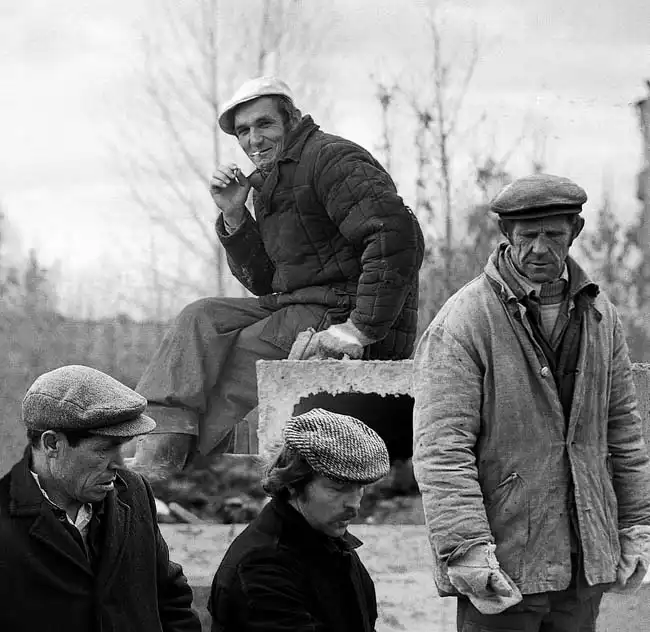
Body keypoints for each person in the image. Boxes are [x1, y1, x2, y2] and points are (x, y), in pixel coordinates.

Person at [132, 75, 424, 476]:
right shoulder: (272, 180)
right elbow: (268, 282)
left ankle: (177, 472)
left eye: (264, 124)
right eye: (243, 131)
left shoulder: (332, 159)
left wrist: (359, 329)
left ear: (292, 120)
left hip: (347, 311)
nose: (254, 139)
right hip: (299, 305)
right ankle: (159, 451)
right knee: (200, 318)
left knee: (233, 358)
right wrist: (235, 215)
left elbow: (396, 237)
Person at [411, 174, 650, 631]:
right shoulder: (465, 320)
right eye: (527, 235)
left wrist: (636, 525)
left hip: (584, 564)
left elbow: (623, 429)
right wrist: (466, 548)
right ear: (506, 233)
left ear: (575, 231)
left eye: (554, 234)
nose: (540, 248)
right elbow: (441, 448)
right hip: (505, 564)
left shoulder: (602, 316)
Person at [0, 365, 201, 632]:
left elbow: (170, 597)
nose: (119, 464)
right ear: (52, 444)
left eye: (122, 447)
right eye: (104, 450)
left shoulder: (133, 491)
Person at [208, 407, 390, 632]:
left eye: (360, 488)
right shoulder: (261, 568)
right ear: (294, 483)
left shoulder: (329, 541)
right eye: (337, 488)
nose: (354, 505)